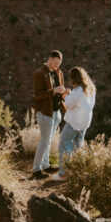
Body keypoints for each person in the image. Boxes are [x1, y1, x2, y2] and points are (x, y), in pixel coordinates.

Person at [51, 67, 96, 181]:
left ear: (74, 78)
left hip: (74, 122)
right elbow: (82, 103)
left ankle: (63, 174)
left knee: (64, 146)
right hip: (85, 122)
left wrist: (65, 95)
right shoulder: (91, 89)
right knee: (77, 147)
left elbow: (69, 105)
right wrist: (70, 95)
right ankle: (77, 171)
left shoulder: (78, 90)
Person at [31, 50, 67, 178]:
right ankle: (36, 170)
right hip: (45, 112)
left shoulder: (58, 73)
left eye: (59, 63)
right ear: (49, 59)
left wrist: (64, 93)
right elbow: (37, 95)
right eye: (55, 62)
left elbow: (59, 90)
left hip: (56, 111)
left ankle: (45, 165)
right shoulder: (39, 74)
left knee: (49, 140)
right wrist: (54, 91)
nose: (57, 65)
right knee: (45, 141)